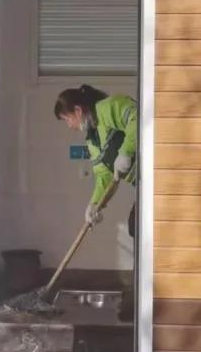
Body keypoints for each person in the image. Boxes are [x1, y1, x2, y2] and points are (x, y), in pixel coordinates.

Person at [54, 84, 138, 321]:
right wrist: (94, 205)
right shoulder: (92, 139)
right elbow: (103, 176)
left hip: (159, 177)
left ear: (78, 110)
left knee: (137, 226)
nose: (69, 126)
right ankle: (136, 296)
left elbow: (138, 118)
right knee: (136, 227)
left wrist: (127, 150)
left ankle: (139, 297)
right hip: (142, 186)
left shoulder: (109, 107)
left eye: (67, 119)